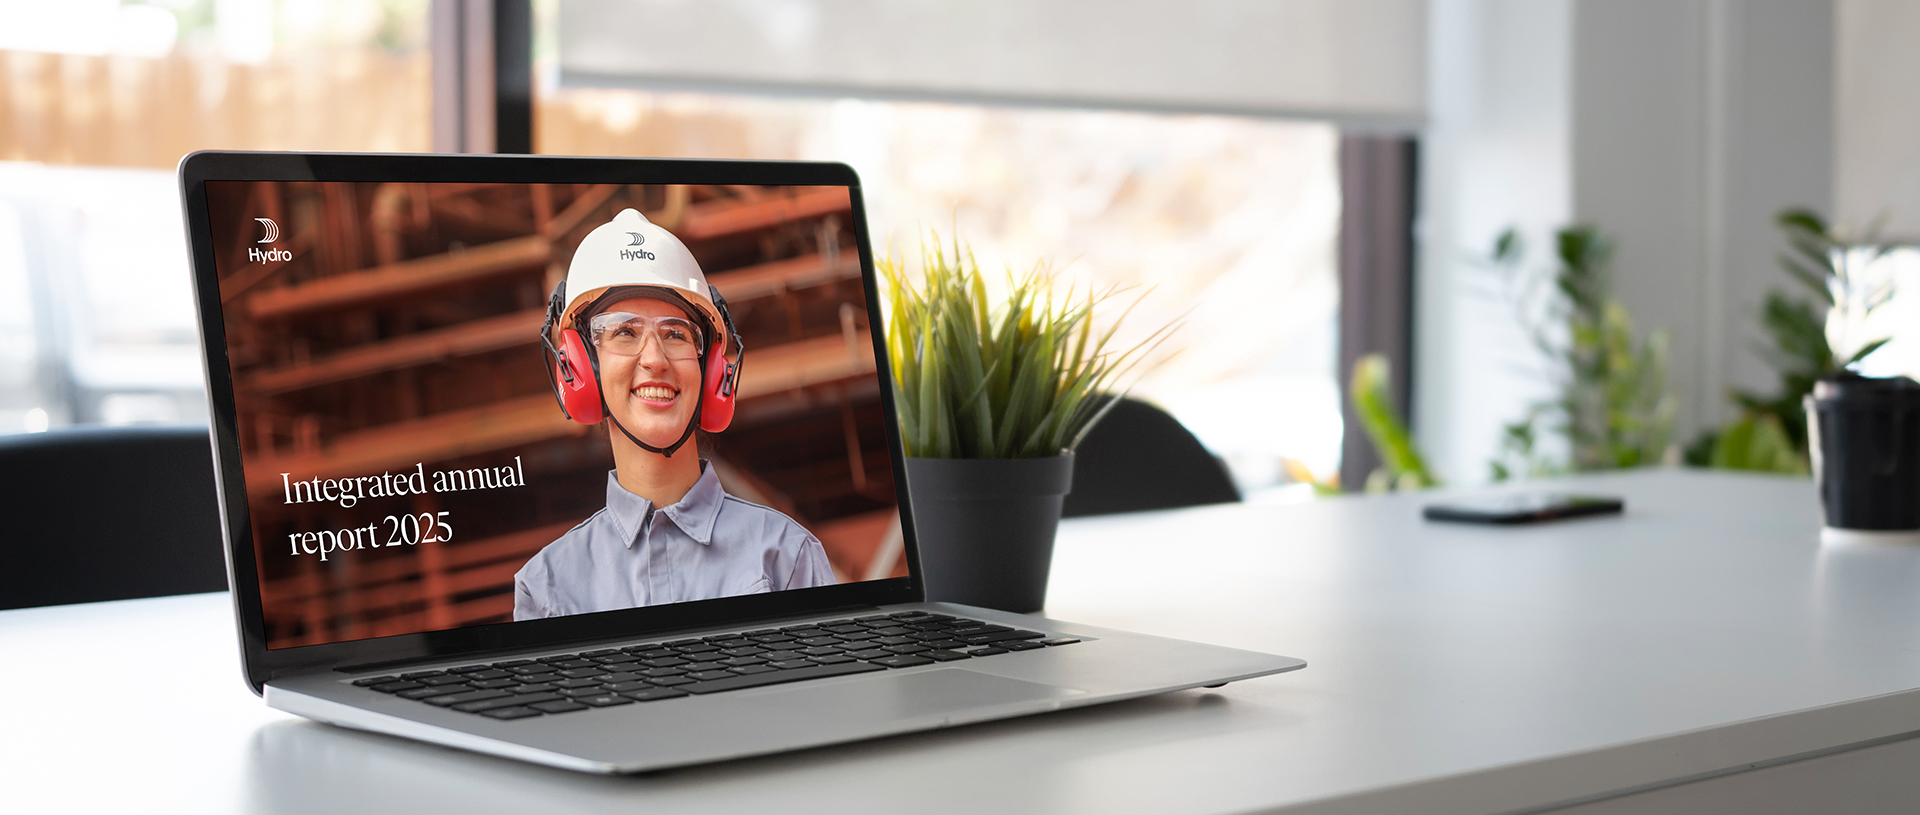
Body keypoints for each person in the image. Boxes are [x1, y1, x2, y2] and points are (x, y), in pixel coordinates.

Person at [514, 208, 834, 620]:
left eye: (676, 334)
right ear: (580, 368)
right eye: (624, 332)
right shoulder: (546, 589)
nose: (655, 359)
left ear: (711, 369)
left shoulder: (786, 557)